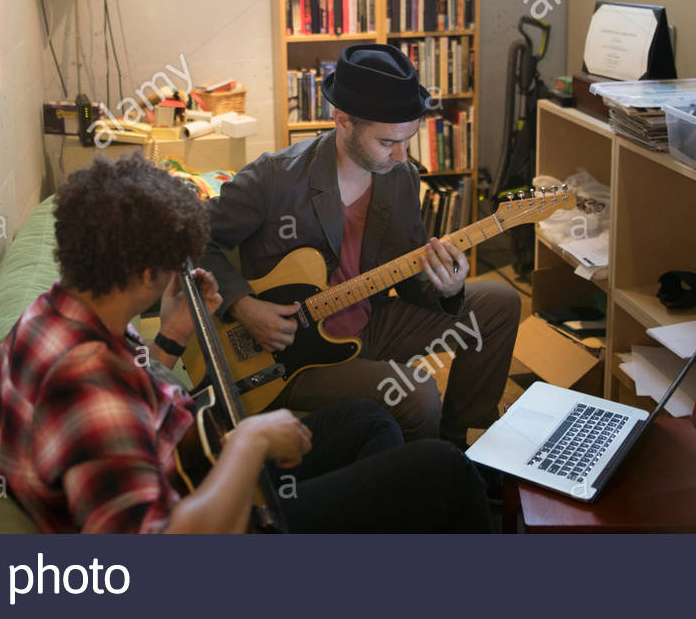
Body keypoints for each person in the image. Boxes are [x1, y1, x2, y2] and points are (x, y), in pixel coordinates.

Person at [0, 152, 491, 533]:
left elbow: (146, 407)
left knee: (370, 420)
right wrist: (249, 442)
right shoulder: (86, 384)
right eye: (171, 266)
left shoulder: (60, 312)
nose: (175, 277)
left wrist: (174, 338)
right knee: (445, 469)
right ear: (143, 272)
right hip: (221, 523)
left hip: (195, 471)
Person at [199, 44, 521, 447]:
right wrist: (244, 306)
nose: (403, 155)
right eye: (388, 142)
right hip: (290, 354)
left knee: (499, 303)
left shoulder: (401, 176)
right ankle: (416, 475)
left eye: (409, 139)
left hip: (368, 323)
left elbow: (410, 278)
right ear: (344, 121)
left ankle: (459, 444)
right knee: (419, 394)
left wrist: (446, 286)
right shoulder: (274, 177)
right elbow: (194, 240)